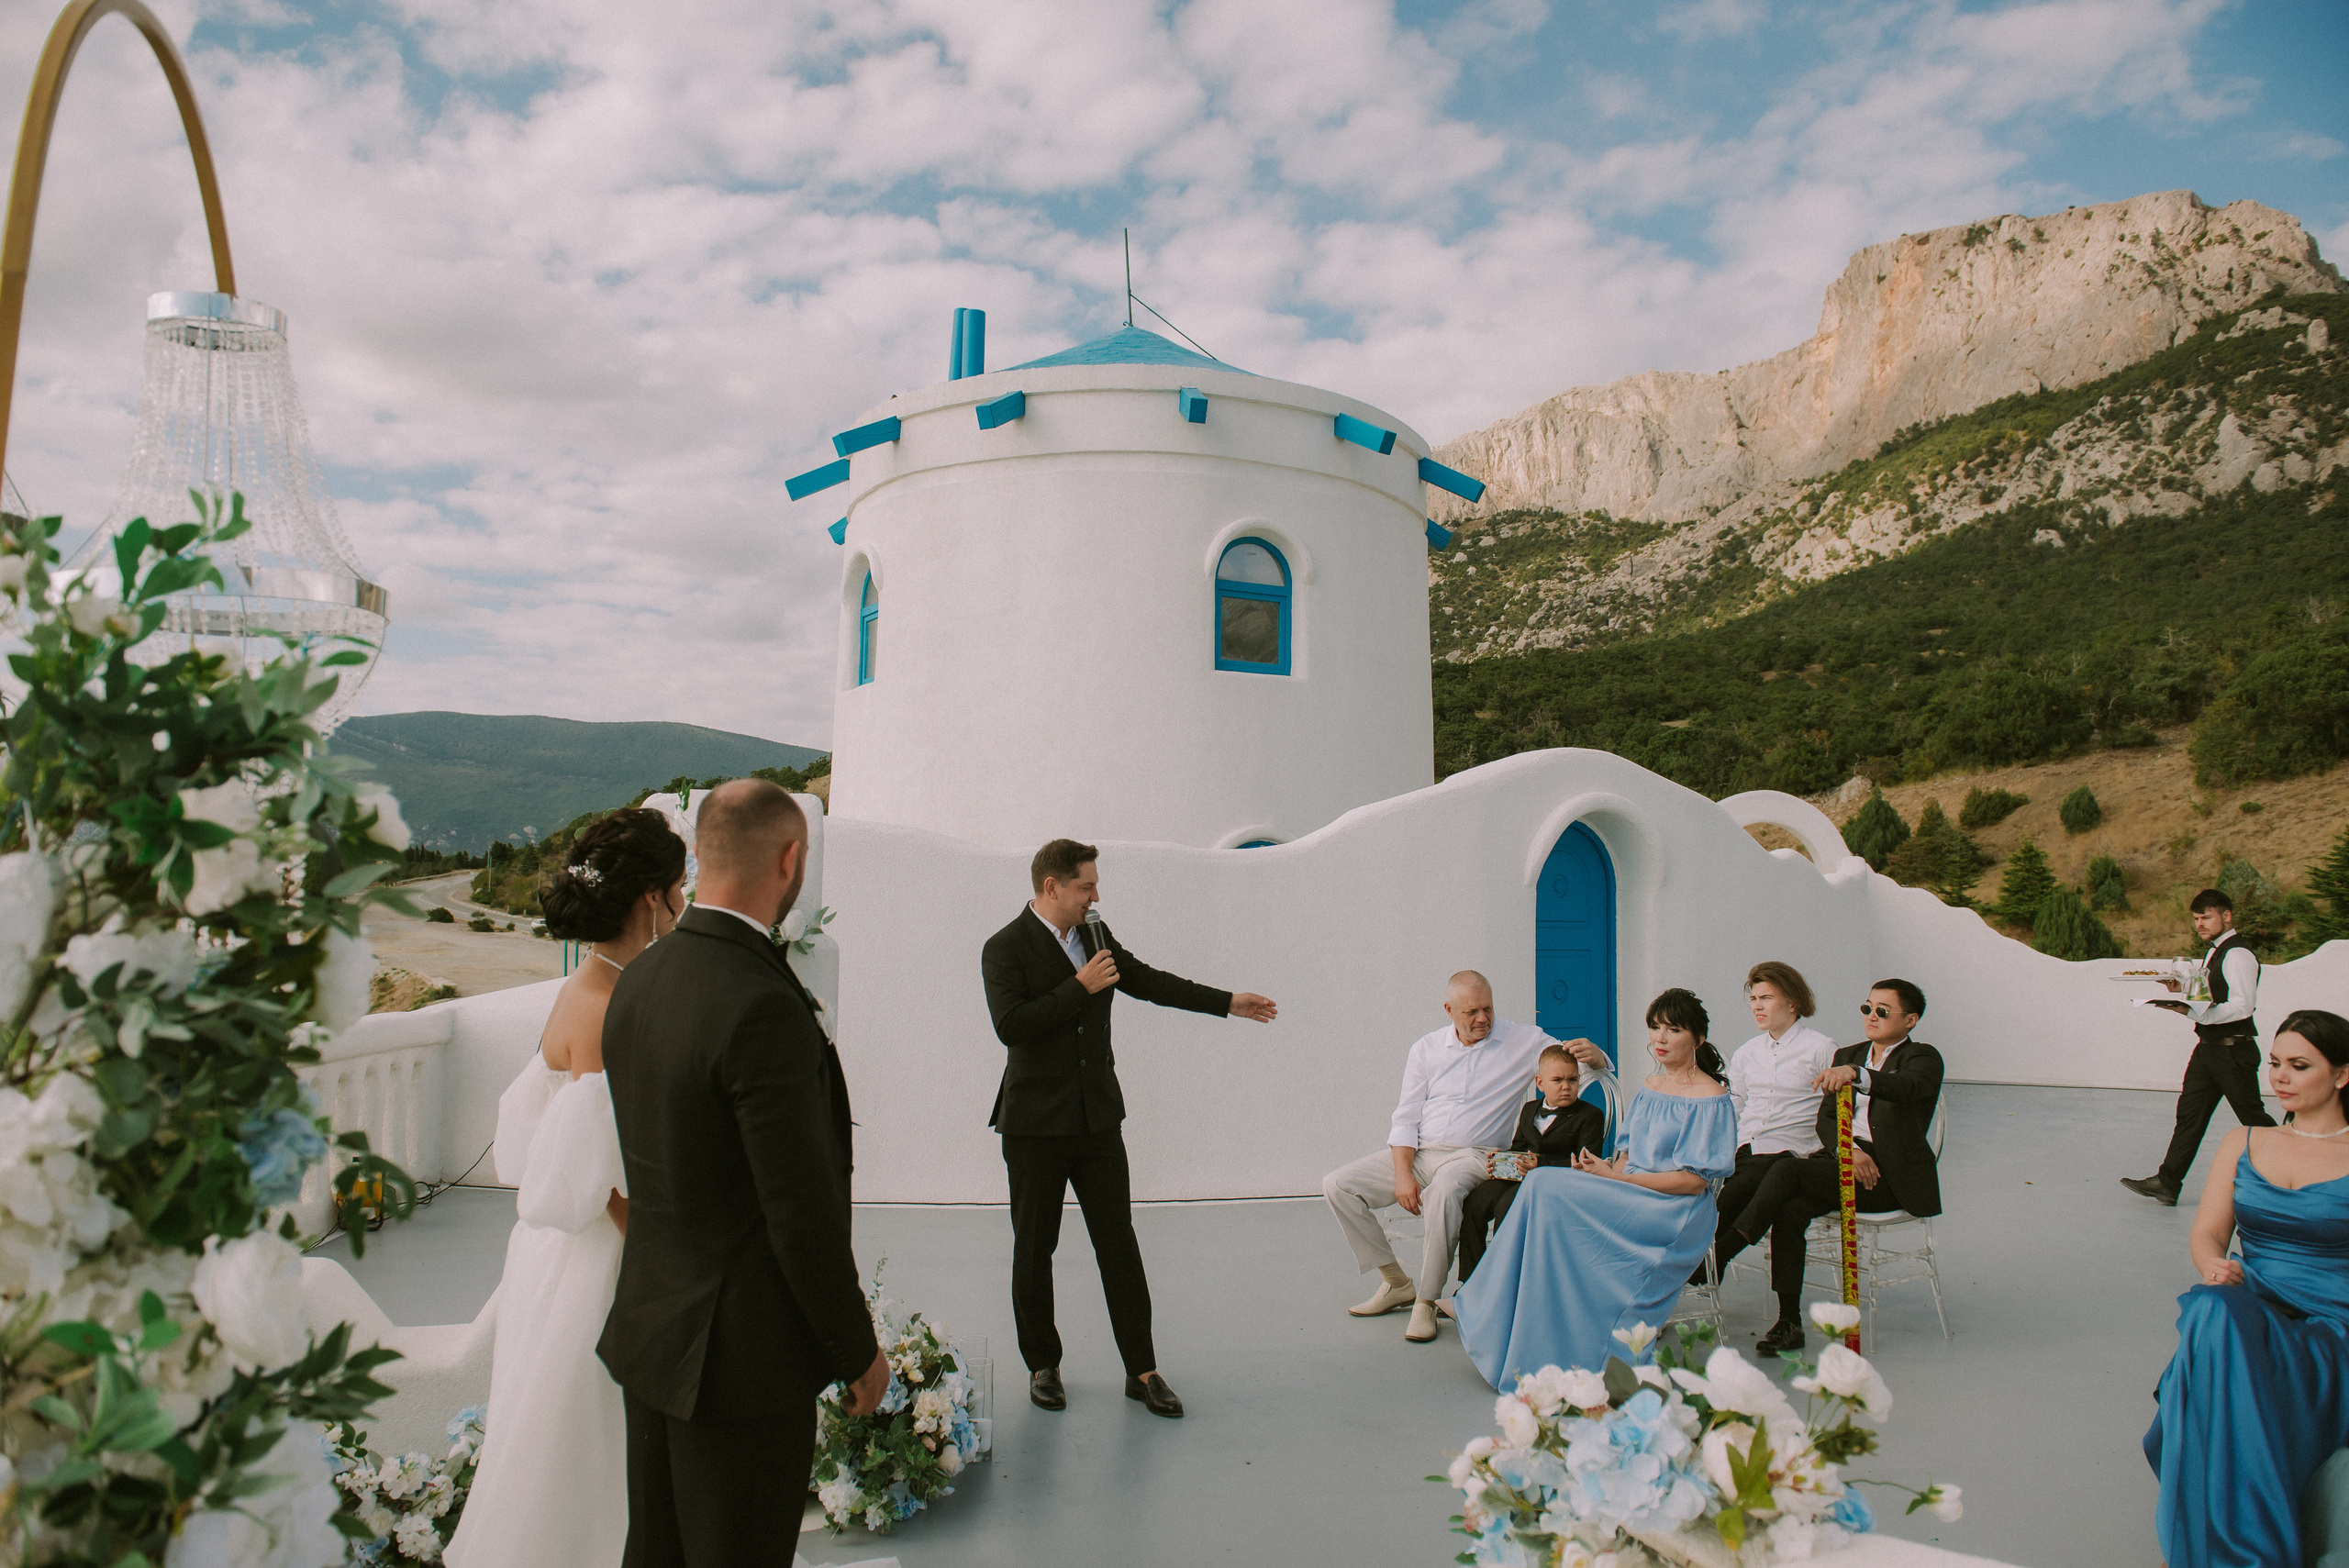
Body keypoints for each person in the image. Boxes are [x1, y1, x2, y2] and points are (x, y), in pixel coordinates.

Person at [597, 781, 888, 1567]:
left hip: (653, 1332)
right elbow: (798, 1209)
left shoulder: (638, 979)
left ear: (702, 853)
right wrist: (855, 1347)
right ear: (789, 859)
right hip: (740, 1363)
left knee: (655, 1552)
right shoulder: (760, 1001)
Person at [446, 809, 685, 1568]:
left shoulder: (595, 982)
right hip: (599, 1258)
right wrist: (667, 1259)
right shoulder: (607, 1002)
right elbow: (604, 1172)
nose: (684, 906)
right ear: (651, 898)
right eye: (679, 890)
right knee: (586, 1441)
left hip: (556, 1252)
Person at [982, 839, 1278, 1419]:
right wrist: (1080, 987)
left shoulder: (1096, 933)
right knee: (1035, 1248)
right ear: (1052, 887)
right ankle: (1043, 1364)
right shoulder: (1004, 947)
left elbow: (1146, 980)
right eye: (1086, 886)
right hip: (1034, 1126)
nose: (1096, 895)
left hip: (1097, 1120)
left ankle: (1141, 1370)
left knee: (1119, 1244)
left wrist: (1226, 1003)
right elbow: (1011, 1025)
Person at [2144, 1008, 2349, 1568]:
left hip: (2334, 1323)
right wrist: (2214, 1264)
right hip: (2255, 1307)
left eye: (2300, 1065)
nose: (2279, 1076)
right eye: (2275, 1062)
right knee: (2213, 1310)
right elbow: (2208, 1234)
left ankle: (2217, 1549)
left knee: (2215, 1341)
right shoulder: (2244, 1139)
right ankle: (2235, 1551)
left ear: (2342, 1075)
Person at [1453, 988, 1737, 1390]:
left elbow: (1693, 1182)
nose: (1660, 1038)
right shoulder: (1652, 1084)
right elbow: (1626, 1157)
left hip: (1673, 1210)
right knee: (1541, 1184)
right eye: (1655, 1027)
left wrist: (1619, 1179)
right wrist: (1602, 1172)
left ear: (1698, 1039)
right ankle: (1509, 1314)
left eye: (1673, 1030)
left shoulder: (1712, 1098)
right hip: (1629, 1191)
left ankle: (1495, 1306)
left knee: (1544, 1184)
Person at [1321, 972, 1608, 1345]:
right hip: (1422, 1152)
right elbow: (1405, 1118)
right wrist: (1404, 1173)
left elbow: (1570, 1067)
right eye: (1471, 1012)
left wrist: (1598, 1056)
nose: (1483, 1019)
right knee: (1337, 1185)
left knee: (1443, 1192)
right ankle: (1395, 1282)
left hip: (1476, 1155)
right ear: (1449, 1010)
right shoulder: (1426, 1048)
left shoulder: (1523, 1041)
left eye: (1488, 1008)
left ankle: (1427, 1300)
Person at [1710, 979, 1945, 1355]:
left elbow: (1906, 1087)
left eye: (1882, 1011)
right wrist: (1848, 1149)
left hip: (1886, 1177)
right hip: (1843, 1163)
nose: (1871, 1016)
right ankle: (1789, 1322)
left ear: (1910, 1020)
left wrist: (1858, 1074)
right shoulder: (1849, 1053)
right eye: (1867, 1008)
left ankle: (1722, 1252)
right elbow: (1826, 1120)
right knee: (1790, 1208)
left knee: (1786, 1170)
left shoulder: (1922, 1058)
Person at [2123, 889, 2275, 1207]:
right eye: (2195, 919)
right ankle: (2167, 1183)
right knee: (2189, 1116)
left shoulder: (2238, 954)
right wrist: (2181, 991)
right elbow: (2212, 995)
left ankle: (2305, 1167)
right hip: (2208, 1049)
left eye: (2206, 917)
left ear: (2226, 916)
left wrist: (2192, 1012)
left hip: (2233, 1051)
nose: (2200, 924)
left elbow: (2242, 1006)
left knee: (2254, 1120)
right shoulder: (2214, 953)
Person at [1704, 962, 1838, 1287]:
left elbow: (1838, 1110)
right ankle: (1708, 1260)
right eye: (1753, 999)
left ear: (1793, 1002)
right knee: (1734, 1182)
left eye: (1766, 998)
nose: (1757, 1006)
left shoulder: (1821, 1048)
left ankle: (1706, 1259)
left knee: (1734, 1193)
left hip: (1795, 1152)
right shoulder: (1747, 1052)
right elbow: (1734, 1107)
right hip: (1747, 1151)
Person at [1455, 1044, 1608, 1285]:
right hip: (1520, 1176)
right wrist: (1502, 1160)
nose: (1566, 1086)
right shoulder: (1529, 1109)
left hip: (1554, 1184)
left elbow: (1587, 1163)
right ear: (1540, 1083)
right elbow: (1519, 1146)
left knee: (1507, 1206)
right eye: (1557, 1080)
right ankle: (1471, 1282)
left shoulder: (1590, 1115)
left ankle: (1503, 1283)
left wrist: (1542, 1164)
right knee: (1475, 1202)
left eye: (1573, 1079)